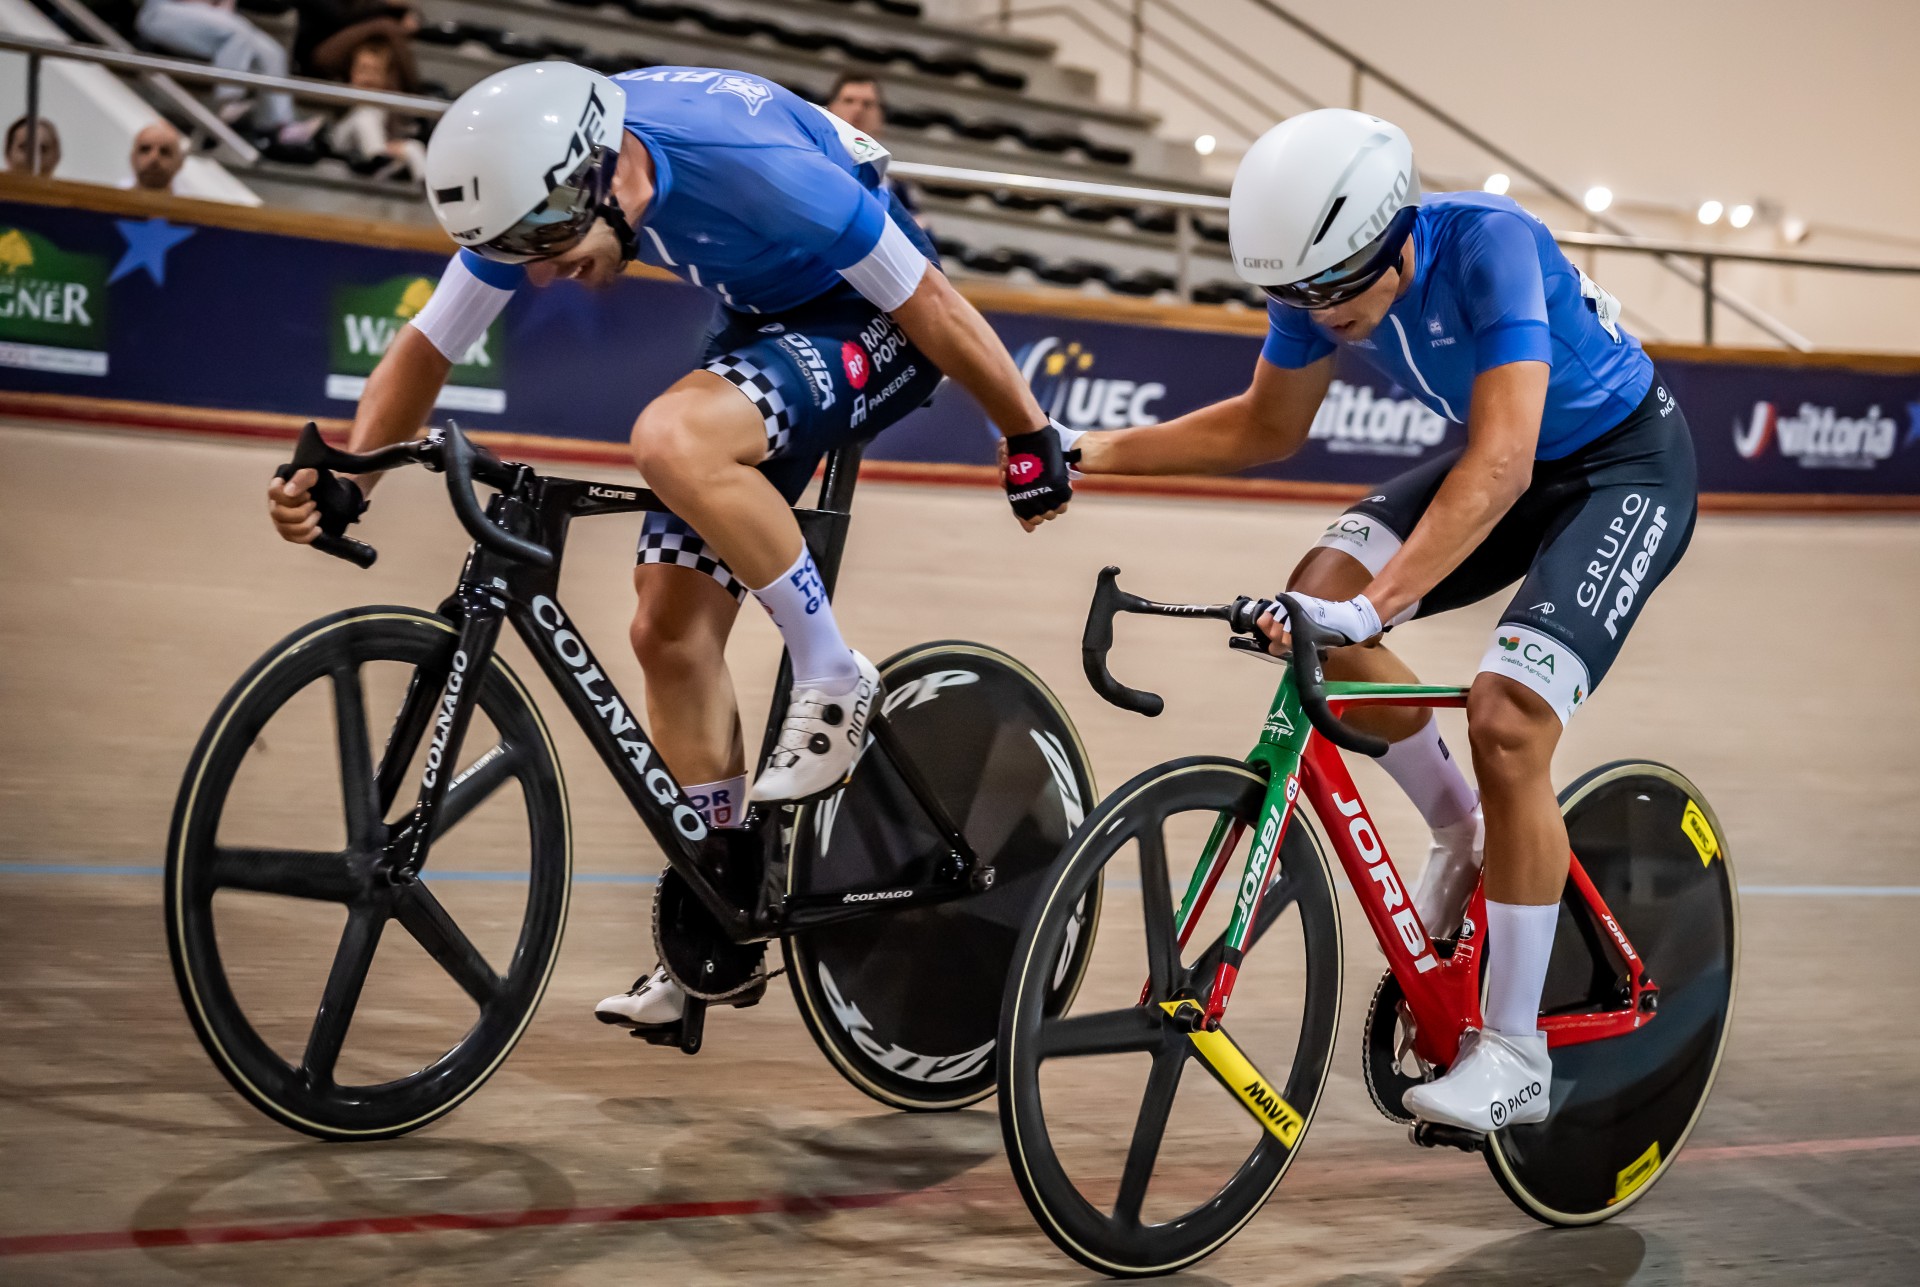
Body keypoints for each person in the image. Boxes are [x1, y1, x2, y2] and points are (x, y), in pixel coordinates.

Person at [263, 63, 1078, 1038]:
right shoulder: (541, 175)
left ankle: (834, 674)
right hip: (768, 314)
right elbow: (429, 346)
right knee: (667, 627)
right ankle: (721, 909)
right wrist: (350, 476)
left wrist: (1027, 440)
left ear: (602, 178)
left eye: (548, 246)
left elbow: (931, 303)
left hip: (878, 319)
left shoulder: (749, 168)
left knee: (672, 438)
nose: (537, 273)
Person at [1054, 109, 1697, 1134]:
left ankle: (1517, 1052)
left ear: (1395, 237)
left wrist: (1377, 599)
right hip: (1512, 457)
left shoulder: (1491, 243)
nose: (1316, 312)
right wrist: (1087, 449)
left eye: (1331, 289)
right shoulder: (1322, 277)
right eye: (1292, 295)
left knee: (1508, 720)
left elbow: (1504, 461)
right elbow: (1269, 424)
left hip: (1620, 466)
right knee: (1316, 601)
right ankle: (1462, 825)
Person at [135, 0, 302, 142]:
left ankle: (277, 126)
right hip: (162, 12)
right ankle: (227, 103)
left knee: (272, 52)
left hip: (209, 15)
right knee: (238, 34)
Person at [822, 72, 918, 219]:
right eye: (848, 101)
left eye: (867, 104)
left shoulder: (894, 184)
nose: (858, 110)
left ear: (881, 117)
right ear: (830, 108)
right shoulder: (811, 158)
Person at [325, 38, 426, 179]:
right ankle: (380, 162)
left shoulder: (389, 104)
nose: (368, 78)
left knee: (413, 147)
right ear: (351, 72)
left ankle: (425, 186)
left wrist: (394, 148)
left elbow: (398, 134)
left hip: (376, 149)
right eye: (363, 70)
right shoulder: (343, 95)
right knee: (366, 114)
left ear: (385, 77)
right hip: (342, 143)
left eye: (375, 71)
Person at [293, 0, 420, 90]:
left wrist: (408, 13)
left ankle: (398, 112)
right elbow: (339, 17)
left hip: (352, 45)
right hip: (316, 52)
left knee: (387, 44)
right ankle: (415, 92)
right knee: (385, 25)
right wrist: (389, 7)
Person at [124, 120, 187, 192]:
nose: (153, 158)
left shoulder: (192, 202)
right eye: (145, 149)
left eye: (165, 152)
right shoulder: (110, 199)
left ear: (180, 163)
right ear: (132, 157)